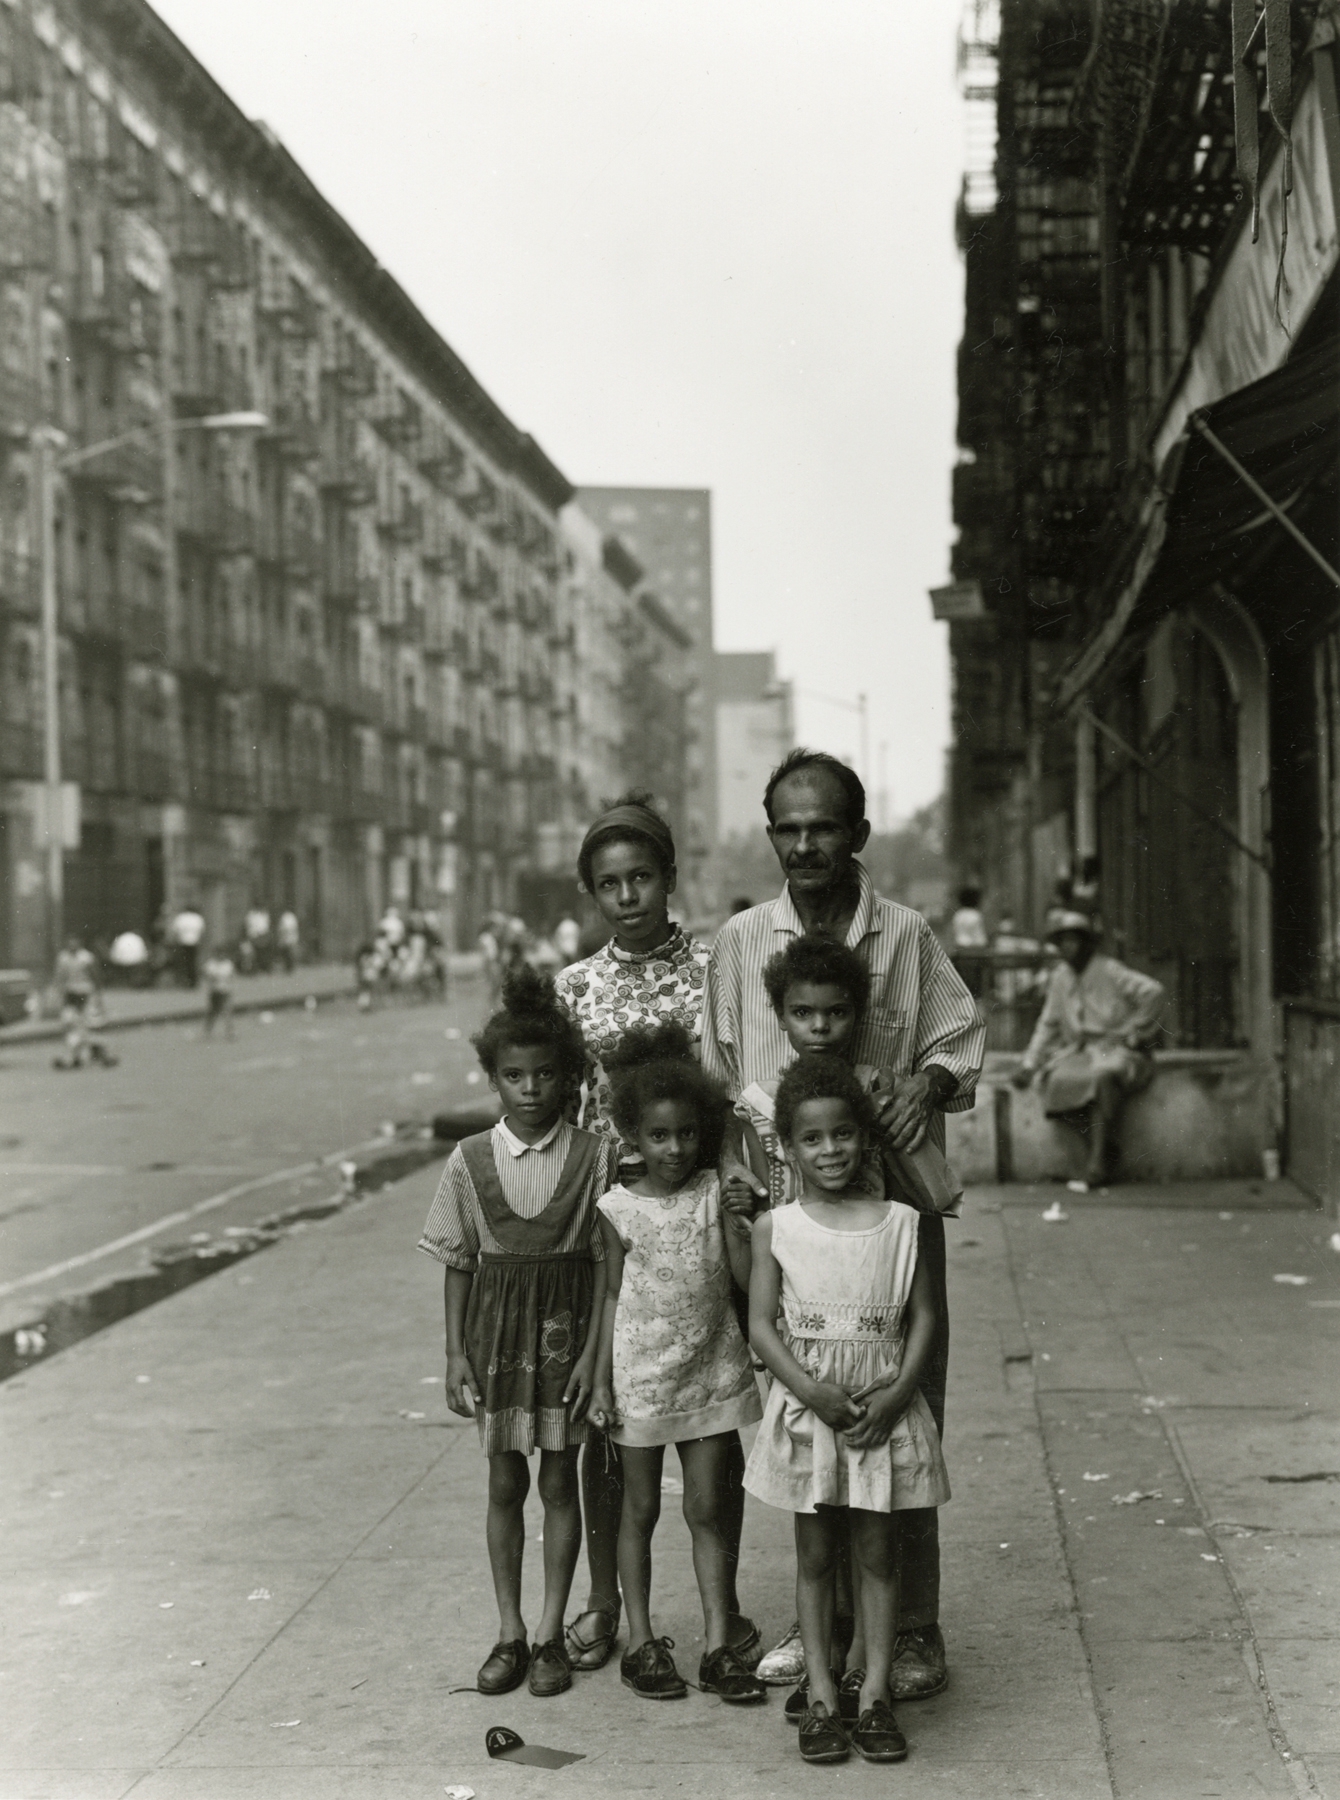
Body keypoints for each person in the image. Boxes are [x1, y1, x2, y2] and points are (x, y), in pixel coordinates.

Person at [700, 747, 982, 1698]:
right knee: (805, 1419)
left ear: (858, 835)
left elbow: (961, 1037)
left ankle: (913, 1631)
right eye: (789, 827)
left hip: (894, 1223)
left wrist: (924, 1082)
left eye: (824, 826)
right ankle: (819, 1625)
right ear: (771, 833)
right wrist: (734, 1190)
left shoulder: (906, 936)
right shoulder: (740, 944)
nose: (806, 843)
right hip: (788, 1225)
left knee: (905, 1420)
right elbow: (718, 1073)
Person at [552, 792, 760, 1676]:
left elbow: (745, 1080)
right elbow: (564, 1111)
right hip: (611, 1218)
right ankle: (608, 1604)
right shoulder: (575, 986)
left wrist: (743, 1173)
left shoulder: (720, 966)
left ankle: (726, 1612)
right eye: (610, 885)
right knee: (612, 1420)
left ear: (670, 879)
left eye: (642, 878)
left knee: (715, 1414)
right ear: (593, 895)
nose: (628, 896)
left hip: (705, 1208)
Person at [418, 967, 617, 1700]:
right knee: (506, 1481)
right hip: (497, 1343)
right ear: (493, 1079)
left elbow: (605, 1263)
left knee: (561, 1480)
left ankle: (549, 1631)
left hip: (566, 1342)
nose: (529, 1089)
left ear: (568, 1078)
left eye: (543, 1075)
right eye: (512, 1076)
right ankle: (506, 1630)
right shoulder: (468, 1160)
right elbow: (458, 1262)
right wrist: (451, 1355)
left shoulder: (596, 1156)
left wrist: (598, 1357)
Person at [745, 1059, 949, 1766]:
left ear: (865, 1139)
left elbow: (924, 1318)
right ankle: (824, 1694)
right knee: (814, 1554)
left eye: (842, 1136)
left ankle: (876, 1697)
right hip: (815, 1409)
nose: (829, 1151)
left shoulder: (902, 1222)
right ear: (788, 1147)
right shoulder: (776, 1226)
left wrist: (895, 1397)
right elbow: (762, 1327)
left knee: (876, 1552)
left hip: (879, 1409)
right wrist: (810, 1391)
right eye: (812, 1139)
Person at [589, 1023, 765, 1705]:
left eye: (687, 1134)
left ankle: (720, 1641)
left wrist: (745, 1221)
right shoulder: (617, 1209)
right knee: (639, 1510)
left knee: (707, 1508)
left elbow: (745, 1277)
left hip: (712, 1369)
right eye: (659, 1136)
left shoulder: (717, 1192)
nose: (674, 1149)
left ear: (704, 1133)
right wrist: (601, 1381)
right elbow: (608, 1298)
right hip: (641, 1379)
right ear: (633, 1134)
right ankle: (640, 1641)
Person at [727, 936, 963, 1218]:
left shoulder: (879, 1089)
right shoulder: (760, 1103)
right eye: (802, 1012)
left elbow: (906, 1210)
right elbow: (766, 1201)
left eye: (837, 1012)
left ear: (858, 1015)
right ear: (781, 1017)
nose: (820, 1027)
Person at [1012, 909, 1166, 1191]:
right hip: (1079, 1052)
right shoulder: (1060, 978)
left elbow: (1153, 992)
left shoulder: (1109, 969)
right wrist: (1029, 1063)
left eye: (1073, 940)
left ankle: (1096, 1164)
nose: (1066, 948)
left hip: (1117, 1049)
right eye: (1061, 942)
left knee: (1103, 1076)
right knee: (1054, 1082)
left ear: (1086, 943)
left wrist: (1134, 1030)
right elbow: (1048, 1024)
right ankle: (1103, 1147)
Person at [52, 936, 117, 1070]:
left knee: (90, 1023)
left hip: (85, 993)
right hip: (71, 994)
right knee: (72, 1023)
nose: (72, 946)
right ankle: (75, 1056)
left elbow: (95, 976)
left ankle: (99, 1053)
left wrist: (98, 995)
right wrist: (58, 993)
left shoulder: (86, 958)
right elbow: (60, 977)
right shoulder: (63, 958)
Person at [169, 903, 206, 989]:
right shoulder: (197, 918)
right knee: (192, 962)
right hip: (194, 942)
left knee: (183, 963)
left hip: (182, 942)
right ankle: (193, 981)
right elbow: (202, 931)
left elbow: (175, 930)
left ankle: (184, 981)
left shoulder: (181, 917)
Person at [202, 948, 236, 1039]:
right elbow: (208, 976)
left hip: (225, 991)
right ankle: (207, 1032)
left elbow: (231, 976)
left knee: (227, 1011)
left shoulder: (228, 964)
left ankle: (230, 1032)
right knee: (212, 1012)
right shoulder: (211, 964)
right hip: (215, 991)